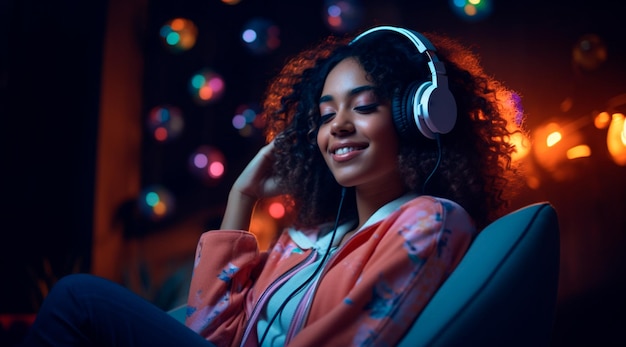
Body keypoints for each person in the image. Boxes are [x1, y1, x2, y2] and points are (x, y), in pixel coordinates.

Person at [20, 25, 523, 347]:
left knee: (78, 299)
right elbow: (208, 333)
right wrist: (242, 197)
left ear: (420, 118)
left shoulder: (430, 220)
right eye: (326, 116)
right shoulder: (310, 242)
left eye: (364, 107)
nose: (338, 128)